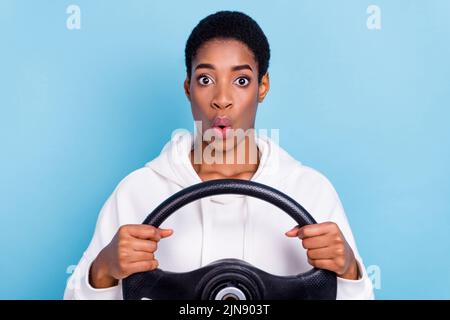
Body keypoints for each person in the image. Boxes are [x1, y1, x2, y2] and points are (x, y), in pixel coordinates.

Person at [64, 11, 374, 299]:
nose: (221, 100)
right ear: (188, 88)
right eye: (205, 80)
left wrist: (348, 271)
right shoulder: (138, 191)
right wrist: (102, 271)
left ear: (262, 86)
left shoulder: (310, 190)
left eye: (241, 81)